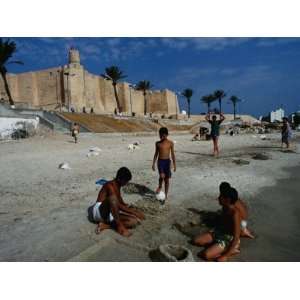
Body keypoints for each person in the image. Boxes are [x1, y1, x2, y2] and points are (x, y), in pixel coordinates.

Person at [193, 187, 245, 262]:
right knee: (196, 240)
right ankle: (218, 248)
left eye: (221, 197)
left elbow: (236, 237)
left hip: (228, 239)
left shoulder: (235, 214)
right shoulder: (224, 207)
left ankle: (232, 250)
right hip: (219, 232)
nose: (218, 198)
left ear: (228, 199)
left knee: (206, 255)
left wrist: (226, 256)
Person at [93, 167, 145, 236]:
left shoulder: (118, 185)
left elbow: (121, 202)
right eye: (125, 181)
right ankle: (120, 227)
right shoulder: (110, 185)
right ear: (119, 179)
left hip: (111, 212)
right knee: (113, 199)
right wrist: (133, 212)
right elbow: (117, 204)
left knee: (133, 221)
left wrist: (132, 209)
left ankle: (106, 225)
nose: (126, 183)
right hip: (100, 212)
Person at [152, 127, 176, 202]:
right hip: (160, 162)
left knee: (167, 180)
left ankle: (166, 194)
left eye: (163, 135)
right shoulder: (157, 143)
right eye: (160, 135)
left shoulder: (170, 143)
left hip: (167, 162)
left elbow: (172, 154)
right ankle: (159, 186)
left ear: (167, 135)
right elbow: (156, 154)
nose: (161, 137)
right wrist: (153, 163)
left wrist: (174, 164)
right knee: (162, 176)